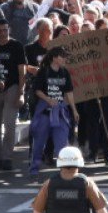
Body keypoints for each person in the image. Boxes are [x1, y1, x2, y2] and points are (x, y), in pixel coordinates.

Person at [0, 19, 27, 170]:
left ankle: (7, 156)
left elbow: (22, 70)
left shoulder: (16, 46)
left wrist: (21, 92)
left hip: (12, 87)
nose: (2, 33)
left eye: (5, 30)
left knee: (9, 124)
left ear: (9, 30)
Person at [31, 46, 79, 176]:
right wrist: (48, 99)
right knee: (40, 141)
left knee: (62, 142)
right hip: (45, 112)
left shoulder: (65, 72)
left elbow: (69, 92)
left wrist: (74, 110)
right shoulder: (43, 72)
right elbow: (37, 90)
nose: (65, 59)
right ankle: (34, 167)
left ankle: (64, 170)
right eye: (62, 56)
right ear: (54, 58)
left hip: (60, 112)